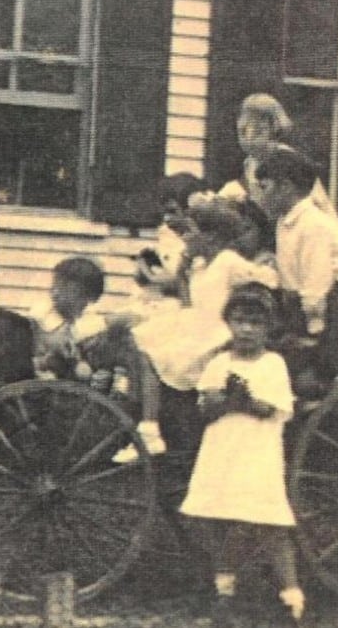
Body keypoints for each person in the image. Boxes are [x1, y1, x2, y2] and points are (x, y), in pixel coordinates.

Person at [113, 198, 278, 464]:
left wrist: (268, 271)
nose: (184, 239)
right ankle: (146, 423)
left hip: (214, 333)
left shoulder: (227, 261)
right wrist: (184, 268)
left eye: (189, 232)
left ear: (212, 237)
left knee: (155, 353)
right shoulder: (200, 265)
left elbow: (267, 278)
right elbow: (190, 301)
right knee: (141, 339)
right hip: (195, 325)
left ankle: (150, 430)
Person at [179, 283, 305, 626]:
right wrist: (221, 401)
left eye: (255, 323)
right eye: (239, 321)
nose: (247, 329)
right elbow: (205, 408)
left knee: (266, 522)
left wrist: (245, 399)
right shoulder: (219, 362)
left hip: (256, 451)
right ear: (229, 323)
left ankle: (292, 598)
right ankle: (224, 587)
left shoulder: (272, 364)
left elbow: (273, 409)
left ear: (268, 327)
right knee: (205, 515)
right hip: (221, 450)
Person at [29, 257, 165, 458]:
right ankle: (141, 415)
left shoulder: (82, 317)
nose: (55, 291)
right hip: (51, 394)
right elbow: (58, 343)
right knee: (125, 340)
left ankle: (135, 405)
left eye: (65, 286)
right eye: (56, 283)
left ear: (87, 296)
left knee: (130, 342)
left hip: (71, 386)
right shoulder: (46, 312)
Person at [255, 147, 338, 341]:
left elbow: (317, 281)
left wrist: (313, 332)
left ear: (285, 187)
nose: (261, 197)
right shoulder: (284, 222)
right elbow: (292, 275)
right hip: (308, 302)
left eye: (264, 187)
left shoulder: (314, 223)